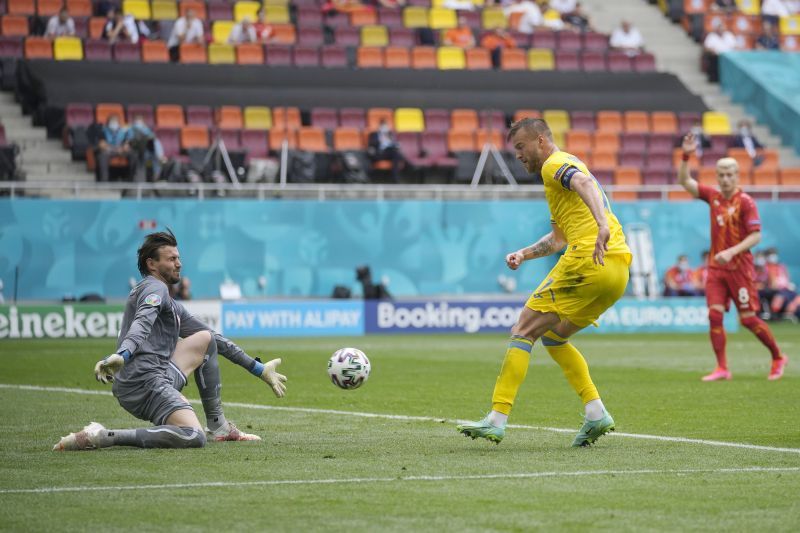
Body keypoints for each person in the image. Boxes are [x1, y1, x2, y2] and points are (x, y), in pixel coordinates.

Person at [457, 118, 632, 447]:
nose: (518, 156)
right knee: (553, 336)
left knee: (523, 330)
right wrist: (523, 254)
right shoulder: (556, 180)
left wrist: (600, 225)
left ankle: (496, 418)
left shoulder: (556, 163)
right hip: (616, 270)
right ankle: (596, 413)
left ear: (540, 141)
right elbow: (557, 239)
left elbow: (585, 184)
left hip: (587, 260)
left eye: (521, 148)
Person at [53, 230, 288, 450]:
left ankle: (219, 426)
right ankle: (104, 436)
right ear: (151, 264)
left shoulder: (169, 301)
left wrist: (258, 368)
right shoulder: (154, 289)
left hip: (156, 373)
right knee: (193, 435)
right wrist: (122, 354)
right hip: (144, 383)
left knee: (206, 339)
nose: (179, 263)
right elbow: (142, 323)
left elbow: (214, 338)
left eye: (178, 257)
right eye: (172, 259)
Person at [677, 133, 789, 381]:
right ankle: (722, 368)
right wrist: (686, 154)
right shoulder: (713, 196)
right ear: (717, 177)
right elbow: (684, 180)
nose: (726, 179)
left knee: (748, 319)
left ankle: (778, 356)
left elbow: (756, 236)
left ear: (737, 177)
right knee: (714, 315)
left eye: (730, 175)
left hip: (740, 269)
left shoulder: (746, 202)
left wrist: (732, 251)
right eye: (722, 175)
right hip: (716, 269)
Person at [764, 247, 800, 321]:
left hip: (786, 290)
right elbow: (771, 284)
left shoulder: (782, 266)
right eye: (770, 255)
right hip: (776, 291)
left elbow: (787, 279)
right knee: (779, 298)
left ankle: (790, 312)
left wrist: (788, 285)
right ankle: (775, 315)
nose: (773, 257)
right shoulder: (765, 268)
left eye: (774, 254)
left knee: (797, 298)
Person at [126, 114, 166, 181]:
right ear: (134, 121)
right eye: (137, 120)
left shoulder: (146, 129)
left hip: (148, 150)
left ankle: (156, 177)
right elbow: (130, 140)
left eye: (140, 120)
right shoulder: (131, 129)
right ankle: (160, 156)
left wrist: (146, 135)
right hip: (138, 150)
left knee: (156, 143)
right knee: (144, 157)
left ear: (143, 121)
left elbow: (152, 137)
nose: (138, 122)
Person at [95, 113, 131, 182]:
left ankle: (132, 180)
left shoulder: (124, 131)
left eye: (115, 121)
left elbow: (127, 143)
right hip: (109, 151)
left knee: (133, 153)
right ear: (108, 122)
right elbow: (102, 145)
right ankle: (104, 180)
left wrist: (124, 147)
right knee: (102, 155)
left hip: (122, 150)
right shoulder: (103, 131)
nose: (114, 123)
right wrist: (114, 149)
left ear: (118, 122)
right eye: (112, 121)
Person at [367, 119, 405, 183]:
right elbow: (371, 144)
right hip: (379, 153)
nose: (385, 128)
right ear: (380, 127)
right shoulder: (374, 134)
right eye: (383, 126)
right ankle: (406, 162)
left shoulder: (390, 135)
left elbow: (394, 144)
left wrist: (391, 142)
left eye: (386, 126)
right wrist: (380, 140)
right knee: (396, 154)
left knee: (395, 152)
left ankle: (395, 178)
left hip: (389, 152)